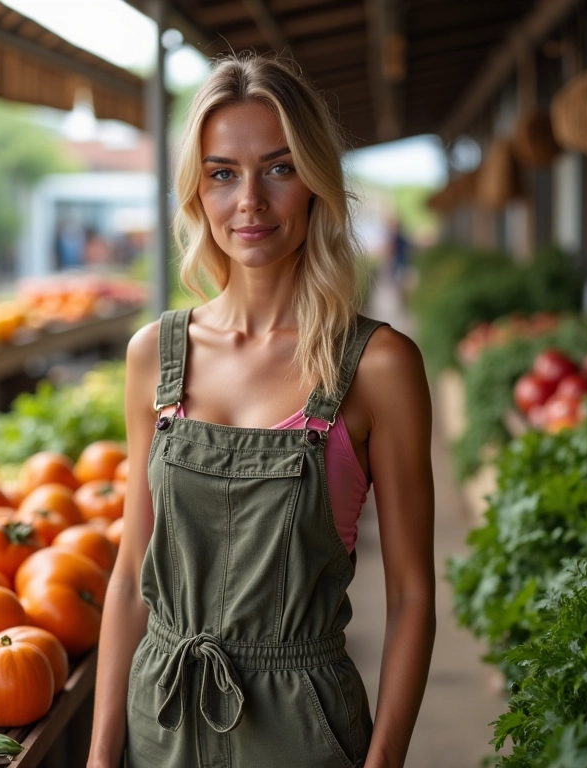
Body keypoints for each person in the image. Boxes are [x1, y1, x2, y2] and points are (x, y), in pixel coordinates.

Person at [86, 55, 435, 768]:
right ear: (197, 192)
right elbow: (129, 576)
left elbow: (412, 595)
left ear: (314, 182)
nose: (249, 200)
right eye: (222, 173)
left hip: (302, 733)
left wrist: (385, 760)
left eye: (278, 168)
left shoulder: (379, 366)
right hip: (161, 719)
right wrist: (98, 756)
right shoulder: (153, 354)